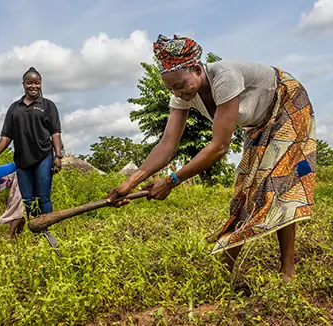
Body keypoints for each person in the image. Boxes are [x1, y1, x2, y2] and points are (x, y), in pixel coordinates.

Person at [108, 34, 316, 282]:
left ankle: (287, 271)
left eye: (181, 85)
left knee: (274, 185)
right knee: (246, 188)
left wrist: (172, 180)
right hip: (259, 122)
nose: (177, 92)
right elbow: (167, 145)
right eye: (171, 88)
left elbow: (219, 146)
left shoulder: (225, 78)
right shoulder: (181, 95)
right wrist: (131, 182)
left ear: (196, 69)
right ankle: (227, 266)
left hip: (288, 104)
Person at [0, 67, 63, 247]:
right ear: (24, 84)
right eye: (30, 82)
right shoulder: (15, 108)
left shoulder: (48, 106)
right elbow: (6, 137)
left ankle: (49, 232)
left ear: (41, 84)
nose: (33, 86)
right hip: (22, 161)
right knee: (28, 200)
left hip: (44, 156)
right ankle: (37, 233)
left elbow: (56, 133)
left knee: (43, 197)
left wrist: (58, 156)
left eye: (37, 82)